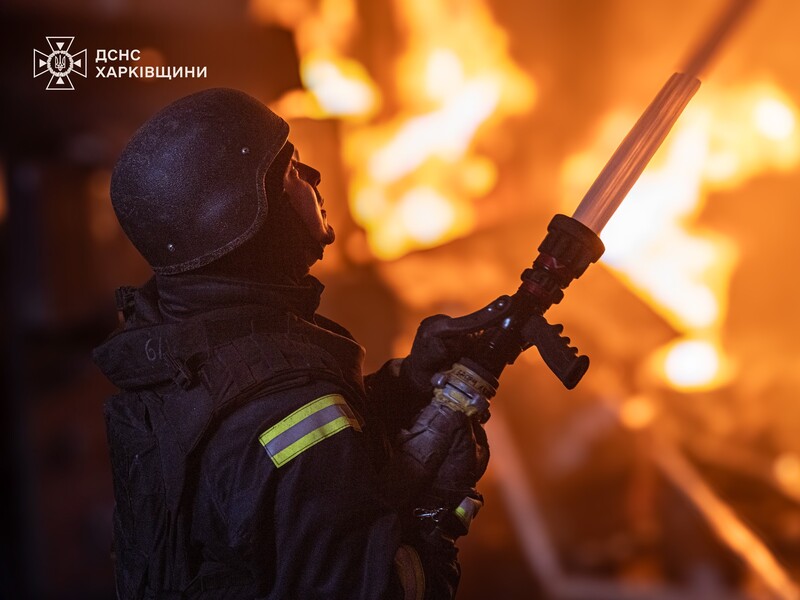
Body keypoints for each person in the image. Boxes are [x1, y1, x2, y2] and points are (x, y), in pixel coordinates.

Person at [93, 88, 495, 599]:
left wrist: (405, 385)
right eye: (292, 169)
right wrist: (441, 505)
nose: (316, 179)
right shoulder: (288, 405)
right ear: (246, 217)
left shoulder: (177, 350)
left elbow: (274, 481)